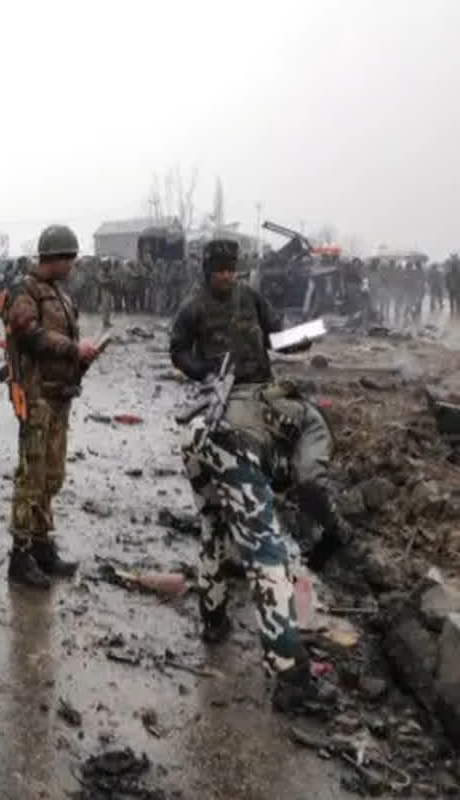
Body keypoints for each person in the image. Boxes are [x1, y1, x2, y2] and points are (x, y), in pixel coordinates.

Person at [170, 238, 340, 712]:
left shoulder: (251, 298)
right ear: (207, 272)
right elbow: (178, 349)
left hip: (226, 417)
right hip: (219, 413)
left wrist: (300, 337)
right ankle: (290, 676)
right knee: (264, 548)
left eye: (232, 270)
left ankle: (214, 616)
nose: (228, 276)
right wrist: (202, 369)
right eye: (220, 270)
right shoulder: (192, 307)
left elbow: (277, 336)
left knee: (217, 528)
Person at [0, 225, 100, 587]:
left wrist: (83, 357)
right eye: (69, 257)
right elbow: (27, 332)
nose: (73, 264)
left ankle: (42, 545)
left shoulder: (60, 293)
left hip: (60, 395)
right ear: (54, 258)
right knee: (32, 476)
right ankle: (20, 555)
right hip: (38, 396)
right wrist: (73, 349)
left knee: (52, 476)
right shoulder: (27, 291)